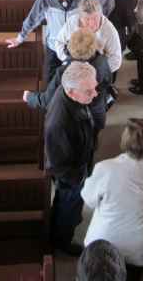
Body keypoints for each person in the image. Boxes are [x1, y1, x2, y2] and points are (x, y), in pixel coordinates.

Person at [81, 119, 143, 281]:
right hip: (140, 246)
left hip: (104, 242)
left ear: (124, 141)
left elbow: (89, 200)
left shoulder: (104, 167)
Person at [6, 0, 114, 82]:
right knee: (49, 80)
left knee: (76, 82)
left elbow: (108, 0)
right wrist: (20, 38)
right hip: (53, 45)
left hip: (77, 48)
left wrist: (96, 25)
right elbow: (33, 18)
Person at [45, 61, 97, 256]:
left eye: (95, 87)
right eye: (89, 91)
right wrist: (79, 178)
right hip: (71, 176)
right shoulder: (59, 124)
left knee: (69, 206)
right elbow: (59, 166)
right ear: (71, 92)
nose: (95, 94)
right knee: (67, 207)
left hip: (79, 163)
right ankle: (62, 242)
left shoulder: (72, 96)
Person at [23, 28, 112, 132]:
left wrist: (29, 97)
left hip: (77, 116)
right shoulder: (102, 60)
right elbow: (108, 80)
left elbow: (47, 101)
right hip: (98, 109)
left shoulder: (66, 71)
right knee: (95, 131)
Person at [54, 0, 122, 74]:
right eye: (87, 19)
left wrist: (94, 72)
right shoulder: (72, 22)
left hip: (97, 71)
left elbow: (116, 59)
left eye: (95, 18)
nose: (91, 23)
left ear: (100, 15)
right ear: (80, 17)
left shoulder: (109, 30)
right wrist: (68, 62)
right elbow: (59, 42)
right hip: (73, 66)